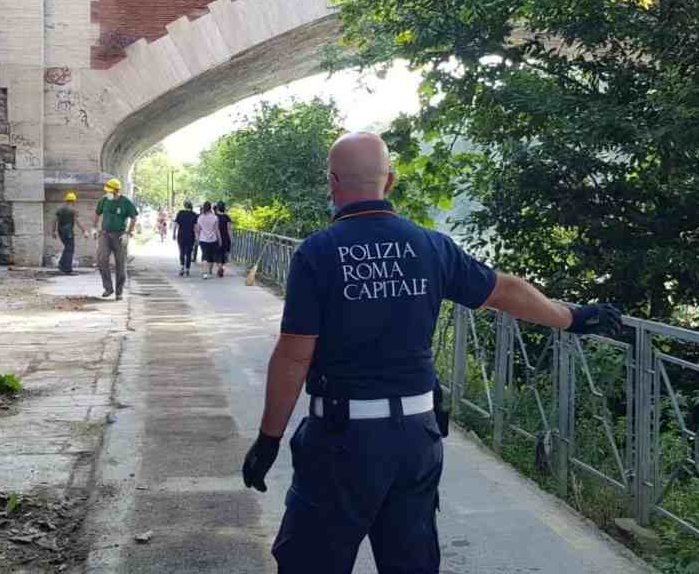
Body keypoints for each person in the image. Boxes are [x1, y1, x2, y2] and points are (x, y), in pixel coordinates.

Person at [240, 132, 622, 574]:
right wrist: (571, 317)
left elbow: (293, 356)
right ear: (391, 181)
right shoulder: (431, 246)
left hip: (341, 444)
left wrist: (269, 440)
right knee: (411, 563)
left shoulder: (317, 254)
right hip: (415, 439)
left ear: (333, 183)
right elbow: (504, 290)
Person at [93, 178, 138, 300]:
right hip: (105, 234)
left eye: (110, 191)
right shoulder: (104, 200)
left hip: (119, 236)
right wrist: (94, 228)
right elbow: (97, 213)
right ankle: (108, 288)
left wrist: (128, 233)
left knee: (120, 264)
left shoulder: (126, 202)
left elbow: (134, 218)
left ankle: (119, 292)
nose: (108, 193)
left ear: (117, 191)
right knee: (102, 259)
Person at [53, 191, 79, 275]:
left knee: (67, 248)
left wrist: (53, 231)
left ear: (66, 200)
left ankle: (61, 264)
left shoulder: (60, 209)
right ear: (74, 201)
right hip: (68, 233)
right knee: (70, 250)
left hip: (60, 232)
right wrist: (84, 230)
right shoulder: (73, 210)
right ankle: (68, 269)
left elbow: (54, 220)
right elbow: (77, 221)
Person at [173, 200, 199, 277]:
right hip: (190, 236)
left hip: (181, 235)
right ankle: (187, 269)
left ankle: (182, 268)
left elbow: (176, 225)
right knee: (188, 253)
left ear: (185, 206)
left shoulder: (180, 213)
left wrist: (174, 234)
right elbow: (196, 228)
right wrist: (197, 237)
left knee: (181, 252)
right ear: (191, 206)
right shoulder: (194, 215)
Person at [195, 201, 220, 280]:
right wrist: (220, 239)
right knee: (212, 256)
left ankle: (205, 273)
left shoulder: (200, 217)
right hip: (213, 239)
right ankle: (212, 270)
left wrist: (197, 239)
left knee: (204, 256)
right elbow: (217, 230)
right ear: (210, 208)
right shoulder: (215, 217)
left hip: (203, 239)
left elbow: (198, 229)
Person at [214, 201, 232, 278]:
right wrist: (231, 238)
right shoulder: (227, 217)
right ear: (224, 208)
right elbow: (229, 229)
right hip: (225, 237)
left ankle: (219, 267)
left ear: (217, 207)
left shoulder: (214, 216)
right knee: (224, 253)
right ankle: (222, 267)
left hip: (216, 238)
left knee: (217, 254)